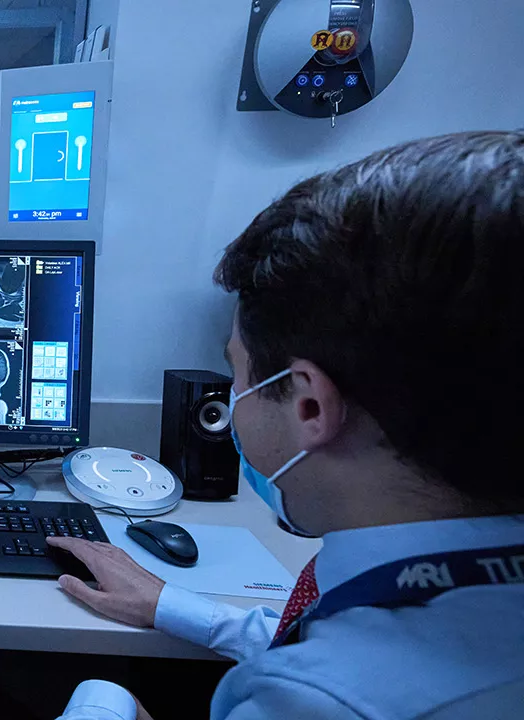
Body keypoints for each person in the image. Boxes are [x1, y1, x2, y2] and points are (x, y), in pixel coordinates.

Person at [43, 131, 524, 718]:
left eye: (237, 375)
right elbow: (344, 641)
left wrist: (103, 705)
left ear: (310, 407)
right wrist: (174, 606)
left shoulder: (319, 702)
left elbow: (345, 673)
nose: (233, 402)